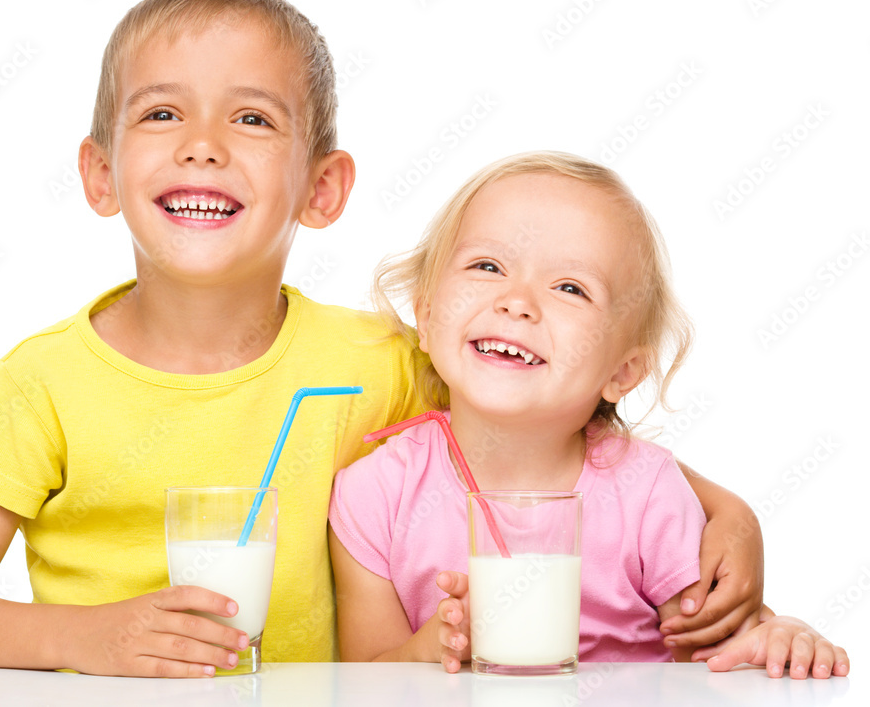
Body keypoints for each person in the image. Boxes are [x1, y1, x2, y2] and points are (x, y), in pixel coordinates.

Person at [0, 0, 759, 679]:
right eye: (162, 113)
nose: (203, 145)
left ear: (322, 189)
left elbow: (549, 423)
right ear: (99, 174)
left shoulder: (375, 360)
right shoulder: (42, 384)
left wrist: (728, 512)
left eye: (251, 118)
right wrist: (86, 638)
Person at [329, 151, 850, 679]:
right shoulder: (373, 497)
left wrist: (779, 637)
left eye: (570, 289)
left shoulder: (648, 495)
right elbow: (363, 678)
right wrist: (427, 650)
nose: (517, 301)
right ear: (425, 314)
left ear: (623, 372)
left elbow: (715, 655)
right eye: (488, 266)